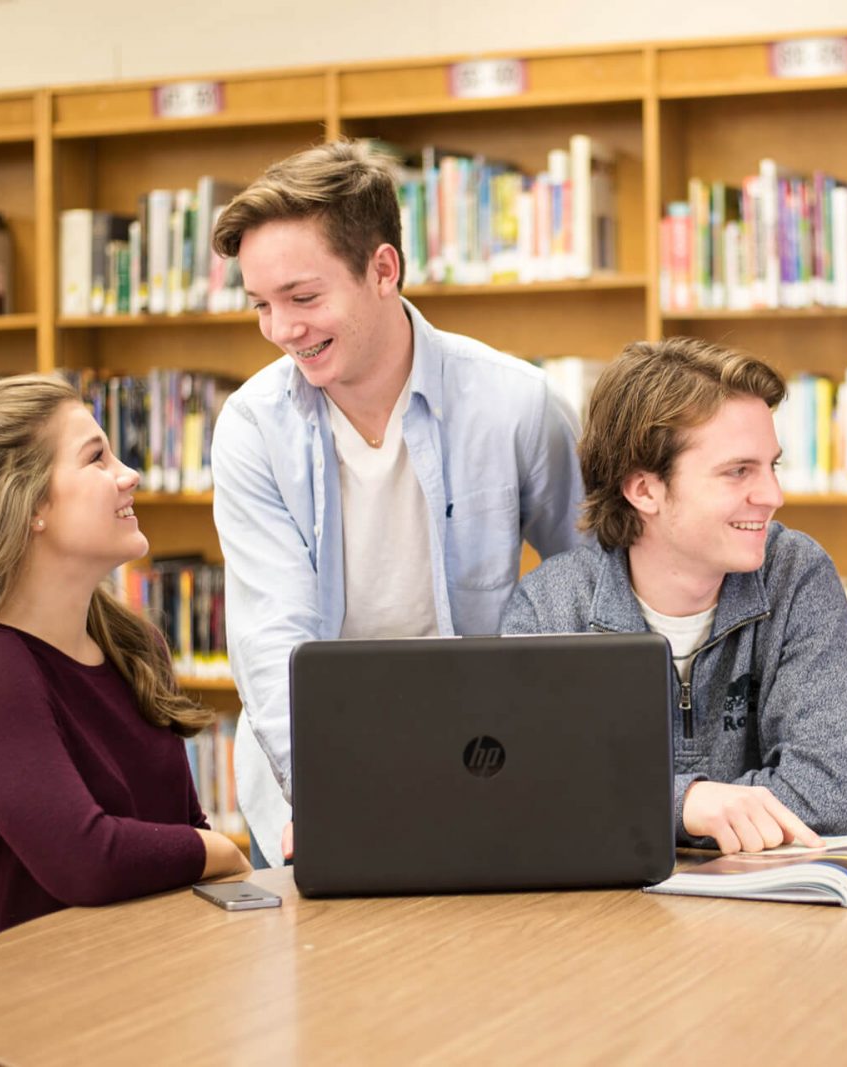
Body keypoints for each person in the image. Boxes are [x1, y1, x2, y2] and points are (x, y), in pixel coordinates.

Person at [210, 140, 583, 866]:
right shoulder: (252, 428)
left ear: (383, 269)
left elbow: (595, 586)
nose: (282, 330)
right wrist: (328, 792)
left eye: (304, 297)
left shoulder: (516, 403)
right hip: (312, 773)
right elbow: (270, 636)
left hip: (487, 759)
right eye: (261, 304)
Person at [0, 376, 249, 1008]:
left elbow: (178, 830)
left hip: (147, 991)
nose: (130, 475)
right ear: (29, 506)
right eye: (96, 457)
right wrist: (217, 852)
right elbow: (86, 859)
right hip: (35, 1019)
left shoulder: (134, 646)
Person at [501, 337, 847, 854]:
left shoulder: (797, 575)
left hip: (768, 919)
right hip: (604, 921)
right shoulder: (551, 607)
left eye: (773, 466)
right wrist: (686, 803)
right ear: (644, 489)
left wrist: (634, 804)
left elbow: (830, 801)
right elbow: (521, 797)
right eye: (739, 471)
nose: (773, 496)